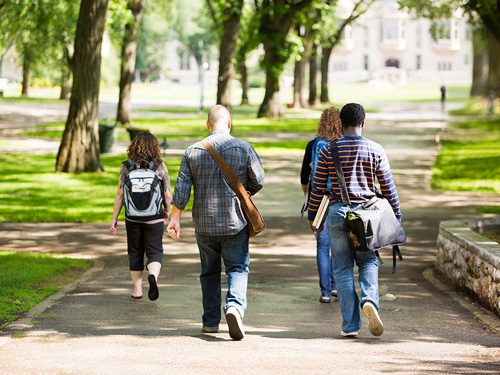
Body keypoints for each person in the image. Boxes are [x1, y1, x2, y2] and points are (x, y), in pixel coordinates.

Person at [167, 105, 264, 340]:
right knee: (238, 268)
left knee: (208, 272)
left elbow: (182, 189)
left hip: (204, 223)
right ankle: (234, 307)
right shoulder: (243, 148)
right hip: (235, 221)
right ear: (229, 123)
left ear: (208, 124)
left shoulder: (193, 151)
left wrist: (175, 219)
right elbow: (259, 180)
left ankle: (210, 322)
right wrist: (244, 191)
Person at [307, 103, 402, 338]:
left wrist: (312, 214)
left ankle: (350, 325)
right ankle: (369, 299)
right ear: (363, 122)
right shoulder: (375, 149)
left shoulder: (329, 150)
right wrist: (396, 216)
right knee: (368, 261)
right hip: (367, 216)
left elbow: (317, 187)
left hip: (338, 213)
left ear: (341, 123)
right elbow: (389, 189)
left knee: (342, 268)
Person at [110, 132, 172, 301]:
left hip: (132, 218)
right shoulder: (160, 166)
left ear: (134, 146)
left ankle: (137, 290)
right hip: (154, 217)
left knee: (135, 251)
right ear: (155, 146)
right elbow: (167, 194)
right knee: (155, 250)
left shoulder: (126, 166)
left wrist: (115, 218)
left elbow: (120, 193)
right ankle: (153, 275)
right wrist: (168, 211)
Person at [300, 107, 342, 303]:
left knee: (322, 246)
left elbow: (304, 178)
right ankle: (335, 287)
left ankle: (325, 292)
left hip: (320, 201)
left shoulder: (313, 145)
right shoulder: (344, 144)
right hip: (340, 200)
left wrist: (311, 199)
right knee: (339, 245)